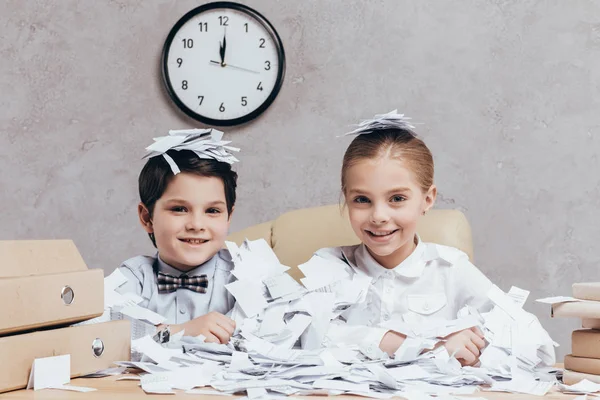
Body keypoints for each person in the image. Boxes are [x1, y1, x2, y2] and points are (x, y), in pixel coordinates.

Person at [316, 111, 555, 366]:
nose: (378, 216)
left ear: (427, 199)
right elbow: (297, 339)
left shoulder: (450, 269)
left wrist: (469, 351)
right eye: (362, 200)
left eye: (397, 199)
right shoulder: (328, 265)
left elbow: (541, 351)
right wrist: (422, 346)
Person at [116, 129, 239, 344]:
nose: (196, 225)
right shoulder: (134, 277)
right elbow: (101, 336)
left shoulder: (242, 276)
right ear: (147, 218)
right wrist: (181, 331)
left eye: (212, 211)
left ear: (228, 217)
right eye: (180, 209)